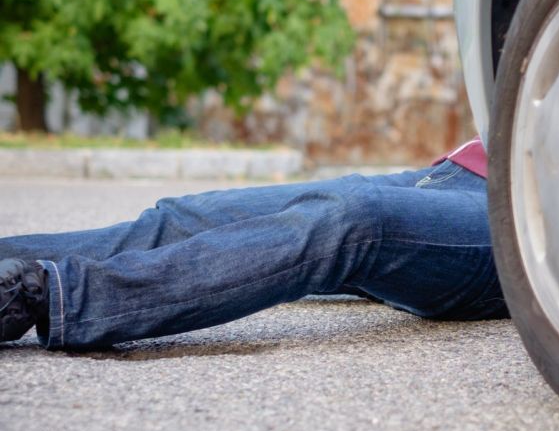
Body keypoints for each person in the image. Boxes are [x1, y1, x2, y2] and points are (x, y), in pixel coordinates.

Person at [0, 138, 508, 350]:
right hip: (457, 172)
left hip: (517, 219)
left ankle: (43, 294)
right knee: (186, 217)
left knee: (353, 221)